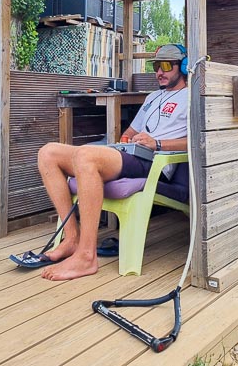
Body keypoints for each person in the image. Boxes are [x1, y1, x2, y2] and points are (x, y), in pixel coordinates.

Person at [38, 43, 188, 281]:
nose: (160, 71)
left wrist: (157, 144)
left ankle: (86, 257)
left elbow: (197, 142)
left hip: (155, 163)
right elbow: (129, 131)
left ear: (184, 67)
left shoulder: (192, 97)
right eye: (157, 66)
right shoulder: (152, 97)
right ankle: (71, 238)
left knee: (86, 155)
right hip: (131, 155)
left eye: (167, 66)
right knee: (48, 153)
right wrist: (128, 139)